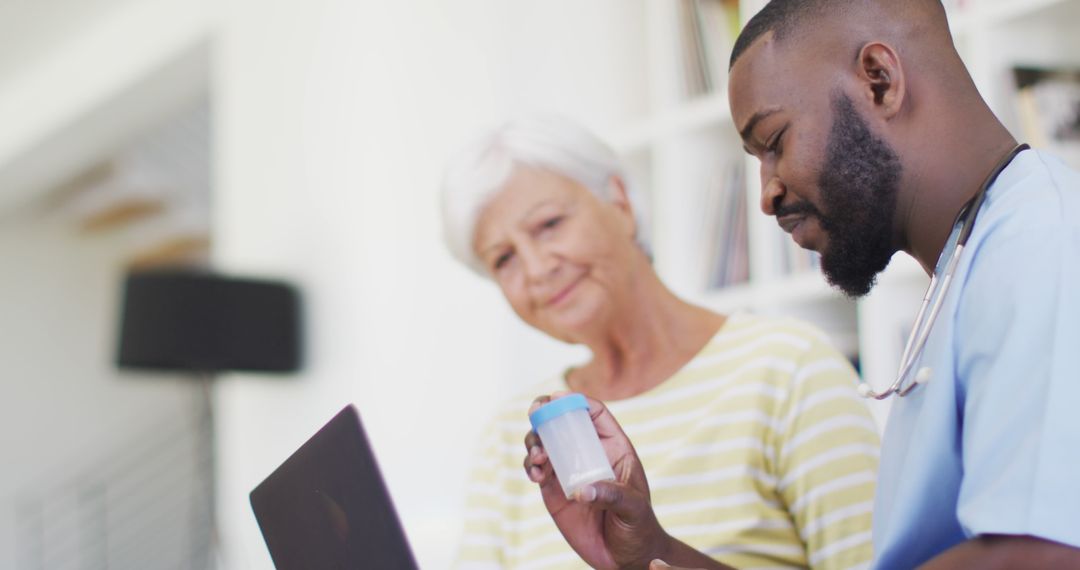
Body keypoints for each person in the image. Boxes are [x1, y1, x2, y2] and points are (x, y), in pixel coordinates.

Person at [523, 0, 1080, 568]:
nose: (766, 194)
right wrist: (649, 552)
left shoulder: (1043, 243)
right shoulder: (973, 264)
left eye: (775, 142)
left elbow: (1044, 554)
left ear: (879, 82)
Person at [441, 115, 881, 569]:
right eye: (504, 259)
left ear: (621, 203)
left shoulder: (790, 369)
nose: (535, 269)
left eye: (549, 224)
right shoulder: (509, 439)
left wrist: (654, 554)